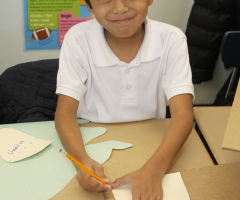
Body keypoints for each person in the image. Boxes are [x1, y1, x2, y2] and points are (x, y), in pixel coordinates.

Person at [55, 0, 194, 199]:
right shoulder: (77, 39)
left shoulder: (172, 39)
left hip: (152, 144)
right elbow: (64, 112)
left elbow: (183, 114)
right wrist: (81, 159)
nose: (120, 8)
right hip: (90, 140)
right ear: (89, 6)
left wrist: (154, 170)